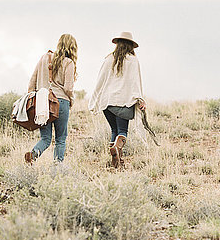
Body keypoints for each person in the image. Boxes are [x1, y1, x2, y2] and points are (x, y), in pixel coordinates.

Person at [89, 32, 146, 168]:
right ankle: (117, 154)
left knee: (114, 130)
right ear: (131, 46)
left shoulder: (109, 59)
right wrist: (140, 99)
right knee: (122, 132)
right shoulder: (132, 60)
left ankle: (117, 163)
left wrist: (95, 100)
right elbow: (135, 82)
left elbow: (100, 80)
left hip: (106, 102)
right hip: (123, 102)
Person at [25, 34, 78, 164]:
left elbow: (32, 83)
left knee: (46, 139)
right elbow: (68, 88)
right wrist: (71, 100)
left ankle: (33, 154)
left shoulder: (44, 58)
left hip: (43, 103)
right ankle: (57, 167)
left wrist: (34, 98)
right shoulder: (68, 62)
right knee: (60, 139)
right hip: (61, 102)